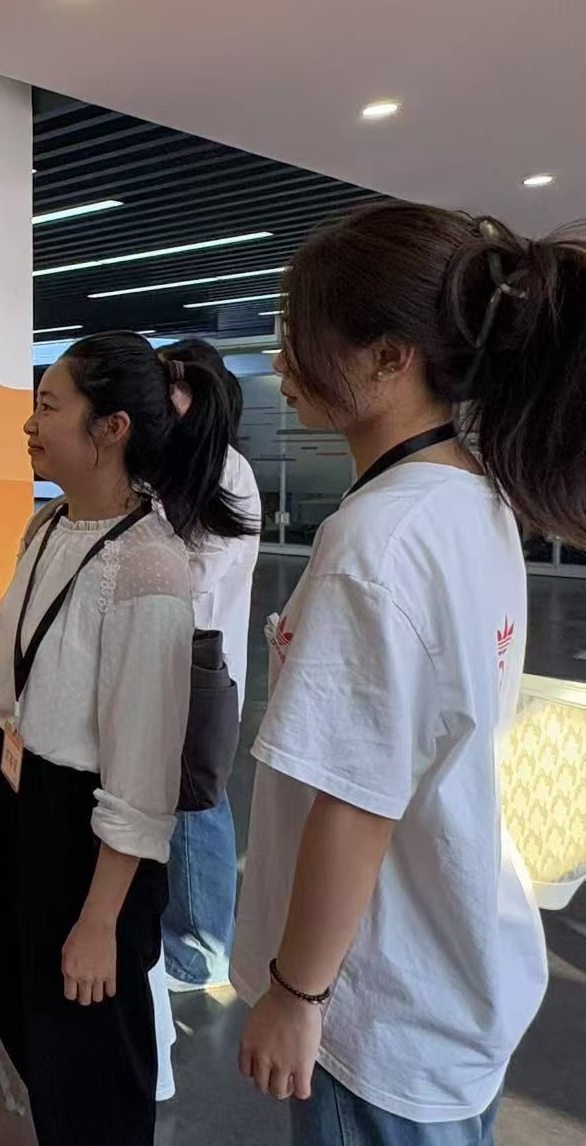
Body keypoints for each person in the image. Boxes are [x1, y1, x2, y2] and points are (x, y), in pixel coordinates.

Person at [235, 204, 585, 1143]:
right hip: (453, 970)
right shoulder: (474, 498)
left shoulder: (378, 539)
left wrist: (297, 993)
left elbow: (358, 801)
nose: (281, 361)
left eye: (300, 336)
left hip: (378, 1008)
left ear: (392, 358)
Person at [0, 331, 256, 1143]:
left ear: (111, 429)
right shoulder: (45, 527)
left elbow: (141, 774)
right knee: (32, 1025)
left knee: (93, 1069)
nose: (29, 424)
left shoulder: (150, 567)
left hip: (87, 839)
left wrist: (101, 919)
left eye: (48, 406)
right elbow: (2, 670)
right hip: (19, 807)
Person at [157, 338, 263, 992]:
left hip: (202, 673)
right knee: (173, 802)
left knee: (198, 804)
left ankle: (199, 951)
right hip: (170, 667)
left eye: (166, 386)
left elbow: (192, 578)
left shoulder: (227, 471)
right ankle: (181, 934)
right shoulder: (177, 463)